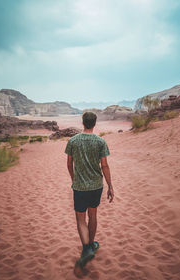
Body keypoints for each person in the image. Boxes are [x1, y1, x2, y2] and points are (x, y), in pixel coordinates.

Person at [65, 112, 114, 268]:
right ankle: (91, 245)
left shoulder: (73, 141)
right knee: (92, 215)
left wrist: (74, 179)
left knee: (80, 218)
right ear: (94, 123)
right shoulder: (100, 141)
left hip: (80, 187)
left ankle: (86, 248)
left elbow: (69, 164)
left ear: (83, 122)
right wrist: (110, 185)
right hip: (96, 186)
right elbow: (104, 165)